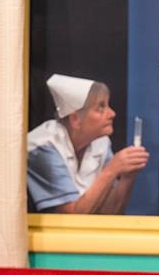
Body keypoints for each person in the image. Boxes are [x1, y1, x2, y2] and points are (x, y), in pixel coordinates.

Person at [26, 73, 149, 214]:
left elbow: (108, 213)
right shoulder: (43, 146)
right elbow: (71, 217)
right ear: (75, 119)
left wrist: (127, 177)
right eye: (100, 108)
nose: (112, 114)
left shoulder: (101, 143)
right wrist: (111, 170)